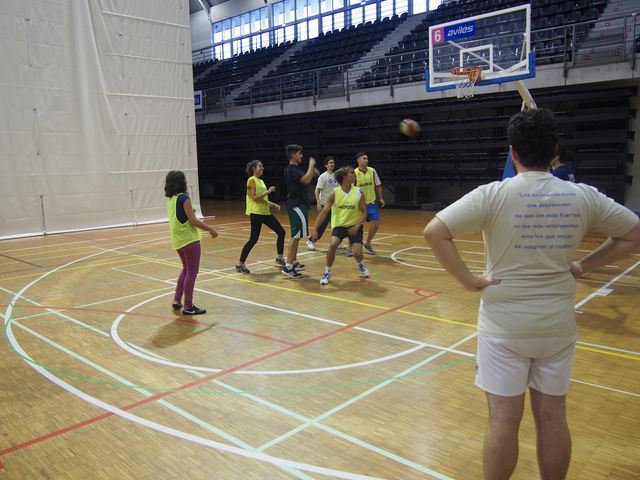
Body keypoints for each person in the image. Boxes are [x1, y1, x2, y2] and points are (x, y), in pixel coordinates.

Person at [423, 108, 640, 480]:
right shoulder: (582, 196)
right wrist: (584, 266)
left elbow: (434, 232)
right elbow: (633, 235)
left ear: (512, 152)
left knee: (503, 420)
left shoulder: (492, 194)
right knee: (553, 417)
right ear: (554, 151)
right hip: (556, 326)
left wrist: (468, 280)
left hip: (503, 326)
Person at [164, 170, 218, 315]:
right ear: (181, 182)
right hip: (189, 240)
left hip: (178, 241)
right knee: (192, 272)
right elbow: (193, 220)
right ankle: (188, 306)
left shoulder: (171, 199)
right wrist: (210, 229)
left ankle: (177, 300)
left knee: (186, 269)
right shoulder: (184, 198)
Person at [311, 166, 370, 285]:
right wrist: (315, 229)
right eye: (352, 173)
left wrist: (357, 226)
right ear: (344, 177)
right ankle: (327, 272)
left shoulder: (359, 192)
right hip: (339, 226)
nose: (354, 175)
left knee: (358, 254)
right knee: (333, 244)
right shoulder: (334, 194)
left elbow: (364, 212)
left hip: (354, 225)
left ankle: (360, 264)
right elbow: (323, 213)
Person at [235, 160, 286, 274]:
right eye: (260, 166)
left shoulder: (261, 181)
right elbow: (253, 197)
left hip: (265, 213)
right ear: (253, 168)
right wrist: (268, 191)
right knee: (253, 239)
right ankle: (239, 264)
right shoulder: (251, 180)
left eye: (262, 166)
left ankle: (280, 257)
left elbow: (262, 199)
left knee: (281, 232)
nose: (262, 168)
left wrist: (273, 205)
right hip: (256, 214)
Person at [282, 144, 319, 278]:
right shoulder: (292, 169)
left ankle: (293, 262)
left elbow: (307, 178)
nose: (301, 156)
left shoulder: (295, 169)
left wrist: (312, 172)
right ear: (293, 155)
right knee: (296, 236)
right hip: (297, 205)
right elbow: (306, 180)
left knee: (296, 236)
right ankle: (288, 266)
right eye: (299, 153)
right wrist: (311, 166)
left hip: (299, 205)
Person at [307, 156, 346, 252]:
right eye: (330, 163)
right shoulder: (323, 176)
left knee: (337, 224)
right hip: (325, 204)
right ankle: (311, 241)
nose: (332, 164)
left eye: (333, 162)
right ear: (326, 165)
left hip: (335, 205)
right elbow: (317, 190)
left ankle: (338, 241)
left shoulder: (336, 176)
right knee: (322, 225)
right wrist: (318, 203)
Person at [354, 152, 385, 255]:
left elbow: (378, 185)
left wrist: (381, 198)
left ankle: (367, 243)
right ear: (358, 160)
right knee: (356, 226)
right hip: (359, 204)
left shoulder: (372, 171)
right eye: (364, 158)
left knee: (376, 224)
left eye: (367, 158)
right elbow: (350, 189)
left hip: (371, 203)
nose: (366, 160)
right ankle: (350, 247)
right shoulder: (354, 173)